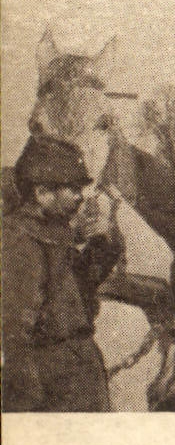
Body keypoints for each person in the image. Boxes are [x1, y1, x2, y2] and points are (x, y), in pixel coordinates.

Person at [2, 135, 123, 412]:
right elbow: (16, 328)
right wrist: (27, 405)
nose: (81, 197)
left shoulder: (53, 231)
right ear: (42, 192)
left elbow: (81, 284)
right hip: (52, 379)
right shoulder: (19, 237)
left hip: (78, 369)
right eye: (73, 188)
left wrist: (104, 242)